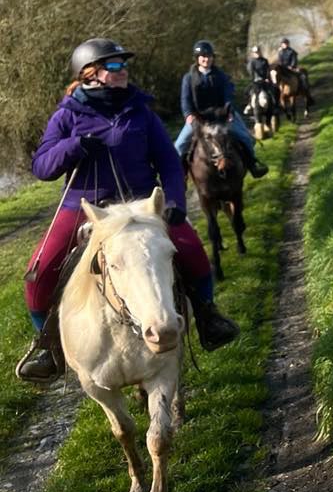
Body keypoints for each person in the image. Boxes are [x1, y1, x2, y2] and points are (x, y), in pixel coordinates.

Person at [16, 38, 240, 383]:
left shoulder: (141, 112)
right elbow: (43, 167)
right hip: (85, 206)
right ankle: (48, 345)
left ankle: (209, 319)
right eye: (115, 66)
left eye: (124, 66)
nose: (123, 71)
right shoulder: (66, 116)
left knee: (193, 252)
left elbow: (167, 160)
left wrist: (175, 203)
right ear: (90, 74)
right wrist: (73, 145)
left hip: (140, 205)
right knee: (39, 271)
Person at [174, 40, 269, 178]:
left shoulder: (221, 76)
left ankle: (253, 165)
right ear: (197, 58)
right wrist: (188, 114)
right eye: (202, 56)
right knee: (179, 145)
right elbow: (185, 99)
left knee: (246, 138)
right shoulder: (188, 78)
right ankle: (180, 177)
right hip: (199, 118)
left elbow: (228, 95)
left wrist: (229, 110)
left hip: (221, 115)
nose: (206, 59)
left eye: (209, 56)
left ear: (213, 57)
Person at [275, 37, 315, 106]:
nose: (284, 45)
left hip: (291, 68)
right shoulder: (280, 52)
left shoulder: (292, 51)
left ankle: (305, 89)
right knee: (275, 78)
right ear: (281, 44)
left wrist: (291, 66)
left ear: (288, 44)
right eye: (283, 44)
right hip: (283, 69)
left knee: (302, 75)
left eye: (285, 43)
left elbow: (294, 60)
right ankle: (276, 99)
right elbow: (280, 62)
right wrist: (281, 67)